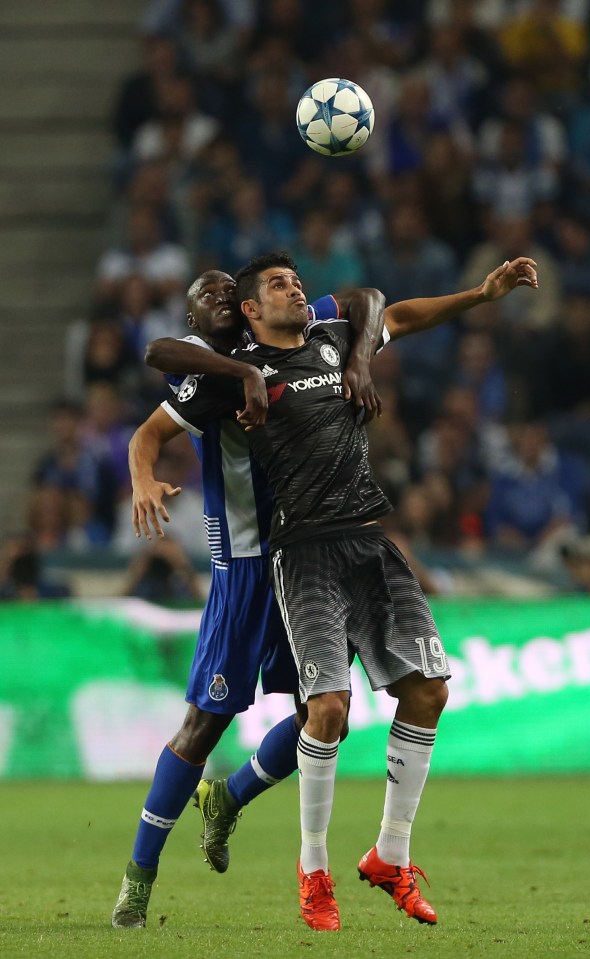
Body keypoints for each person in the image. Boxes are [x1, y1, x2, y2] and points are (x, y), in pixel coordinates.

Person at [144, 252, 538, 931]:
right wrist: (154, 463)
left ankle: (390, 856)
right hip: (300, 551)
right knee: (325, 708)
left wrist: (479, 293)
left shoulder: (333, 336)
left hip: (370, 539)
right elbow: (160, 358)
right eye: (278, 284)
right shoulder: (235, 373)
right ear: (249, 310)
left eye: (297, 280)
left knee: (430, 688)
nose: (295, 288)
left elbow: (388, 306)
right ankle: (313, 873)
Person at [111, 275, 385, 929]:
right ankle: (138, 877)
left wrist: (359, 358)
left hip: (306, 558)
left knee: (330, 717)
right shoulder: (208, 375)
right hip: (242, 572)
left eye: (231, 289)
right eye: (208, 294)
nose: (223, 297)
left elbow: (365, 300)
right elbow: (153, 382)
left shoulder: (289, 338)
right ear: (194, 316)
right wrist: (143, 477)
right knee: (203, 727)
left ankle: (230, 799)